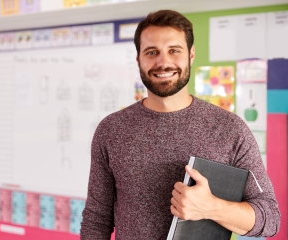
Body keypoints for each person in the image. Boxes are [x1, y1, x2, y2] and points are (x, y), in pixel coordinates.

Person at [80, 9, 280, 240]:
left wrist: (211, 207)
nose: (163, 62)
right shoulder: (111, 130)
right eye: (152, 52)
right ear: (138, 59)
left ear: (191, 55)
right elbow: (97, 219)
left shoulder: (230, 129)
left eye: (174, 50)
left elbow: (270, 219)